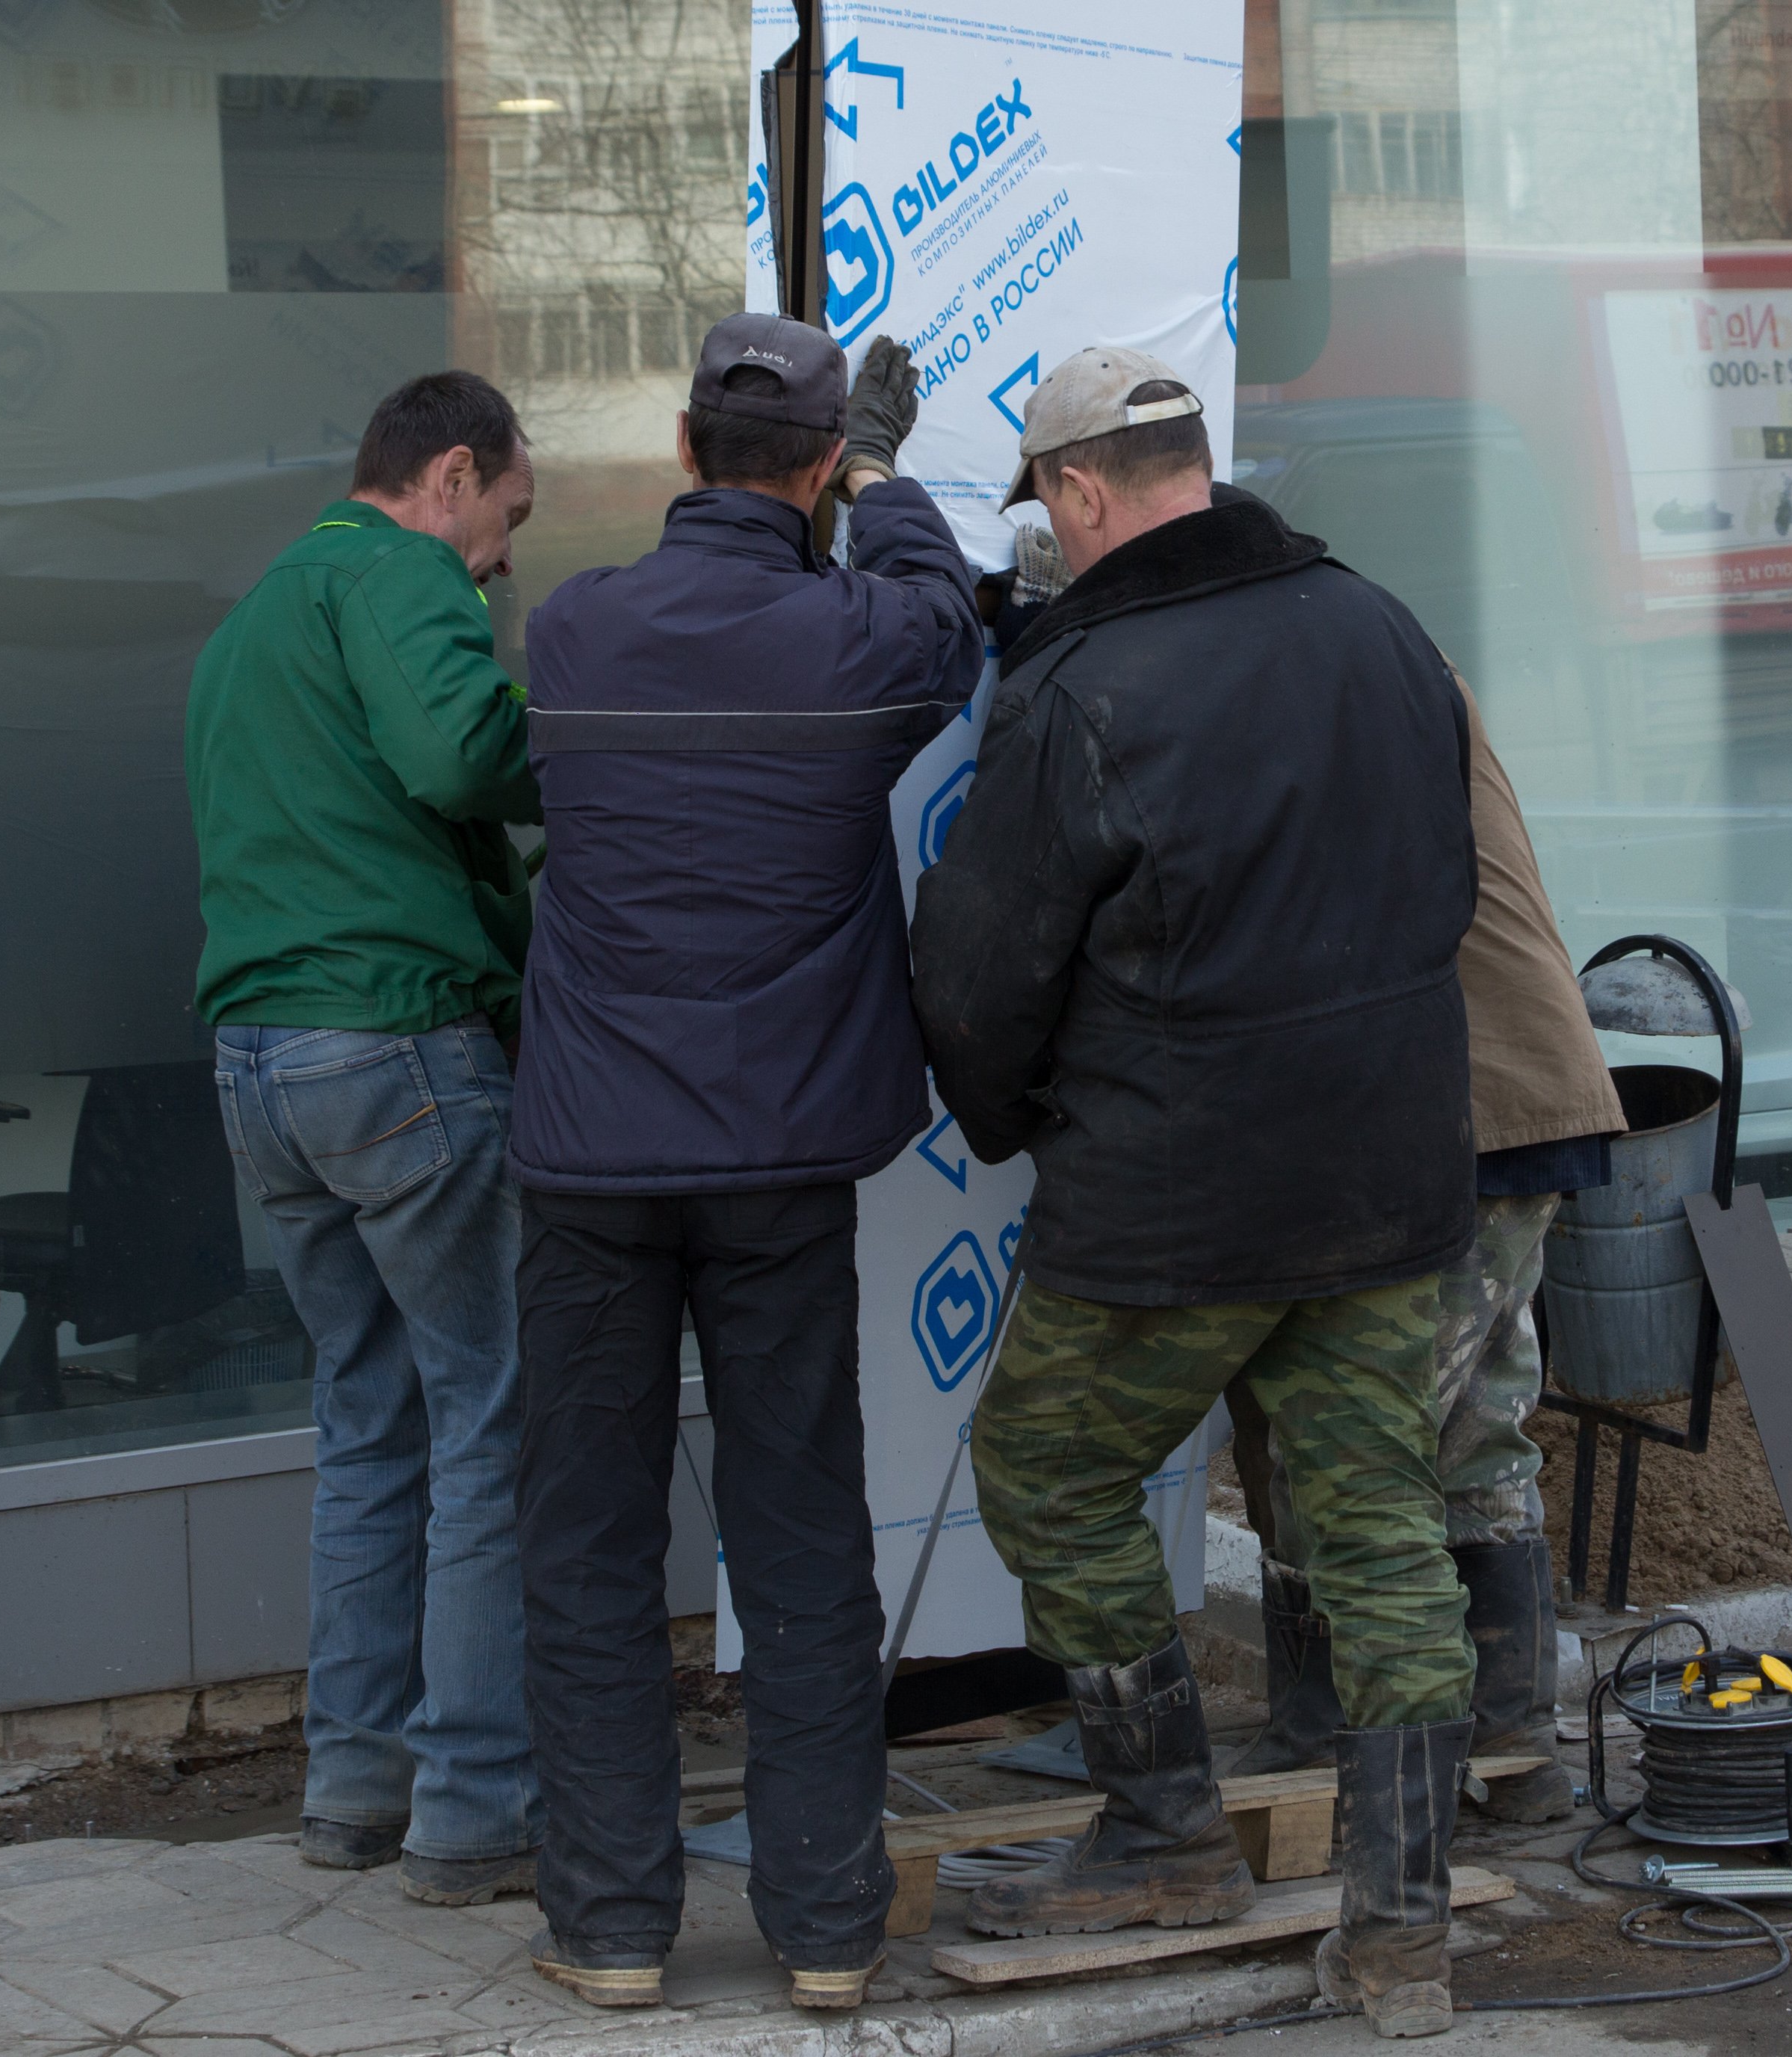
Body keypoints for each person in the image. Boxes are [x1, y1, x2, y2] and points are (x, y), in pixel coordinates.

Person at [911, 346, 1482, 2040]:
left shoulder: (1084, 684)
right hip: (1387, 1174)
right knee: (1381, 1522)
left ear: (1081, 491)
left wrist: (1011, 1120)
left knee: (1047, 1467)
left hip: (1177, 1193)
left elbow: (981, 971)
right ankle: (1403, 1932)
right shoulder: (1379, 623)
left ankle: (1162, 1827)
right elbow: (1446, 880)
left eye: (1051, 512)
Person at [507, 314, 982, 2012]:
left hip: (587, 1160)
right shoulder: (864, 640)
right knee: (796, 1538)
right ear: (817, 476)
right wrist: (889, 475)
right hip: (781, 1163)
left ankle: (617, 1927)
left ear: (684, 453)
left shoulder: (573, 625)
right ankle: (832, 1932)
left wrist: (824, 476)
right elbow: (945, 616)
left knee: (585, 1539)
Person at [186, 371, 544, 1907]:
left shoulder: (256, 615)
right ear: (450, 475)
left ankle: (350, 1787)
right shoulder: (400, 571)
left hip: (259, 1065)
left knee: (368, 1415)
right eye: (507, 522)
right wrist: (619, 749)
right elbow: (470, 760)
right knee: (486, 1416)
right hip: (394, 1041)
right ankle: (471, 1811)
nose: (503, 561)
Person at [1226, 672, 1624, 1825]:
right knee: (1474, 1430)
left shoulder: (1312, 695)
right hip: (1515, 1097)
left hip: (1452, 1108)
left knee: (1350, 1431)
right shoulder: (1391, 669)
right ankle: (1513, 1741)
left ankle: (1334, 1736)